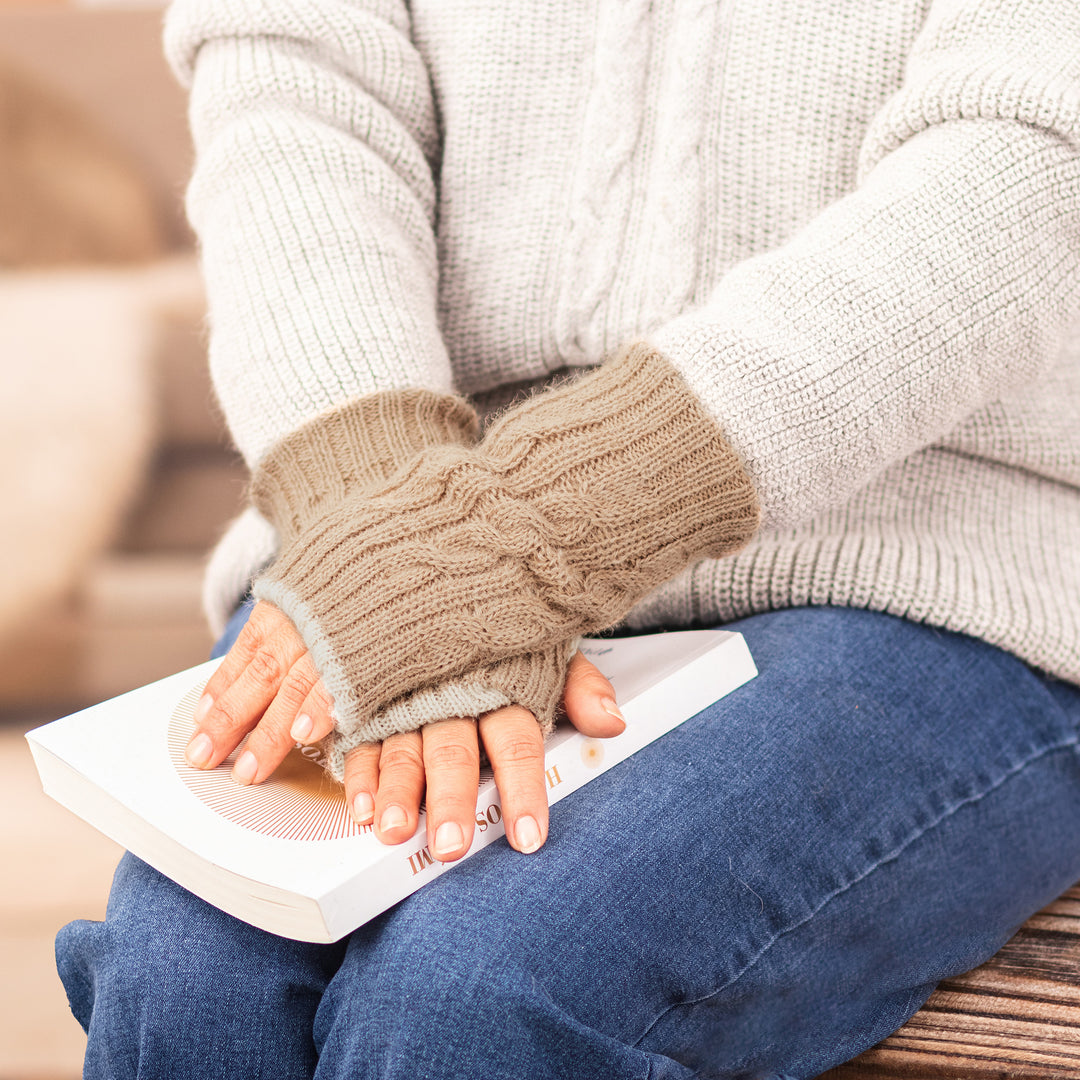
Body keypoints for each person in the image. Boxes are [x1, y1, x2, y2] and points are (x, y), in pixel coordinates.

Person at [56, 0, 1080, 1076]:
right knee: (186, 981)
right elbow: (291, 82)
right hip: (382, 520)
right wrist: (390, 528)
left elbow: (1024, 167)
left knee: (473, 994)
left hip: (939, 554)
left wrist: (507, 542)